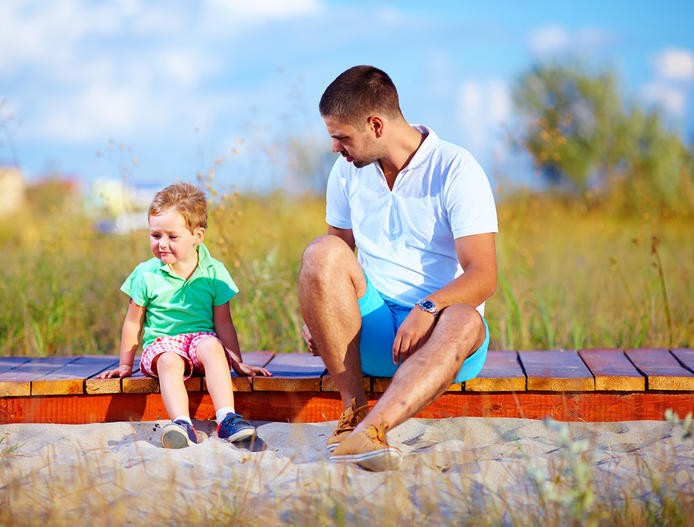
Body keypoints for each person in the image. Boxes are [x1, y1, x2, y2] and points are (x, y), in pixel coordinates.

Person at [299, 66, 498, 471]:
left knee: (463, 318)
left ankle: (372, 433)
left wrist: (426, 309)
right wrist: (318, 312)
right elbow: (335, 256)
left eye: (341, 137)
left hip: (442, 339)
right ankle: (353, 414)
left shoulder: (456, 169)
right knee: (321, 251)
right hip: (371, 334)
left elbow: (483, 276)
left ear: (375, 125)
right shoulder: (346, 171)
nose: (336, 148)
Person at [98, 182, 271, 448]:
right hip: (162, 343)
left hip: (201, 340)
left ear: (197, 236)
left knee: (213, 345)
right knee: (169, 361)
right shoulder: (146, 274)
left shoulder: (214, 271)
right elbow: (133, 322)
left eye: (172, 237)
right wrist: (124, 364)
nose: (162, 244)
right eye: (155, 236)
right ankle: (182, 423)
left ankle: (227, 418)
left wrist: (238, 362)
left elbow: (223, 323)